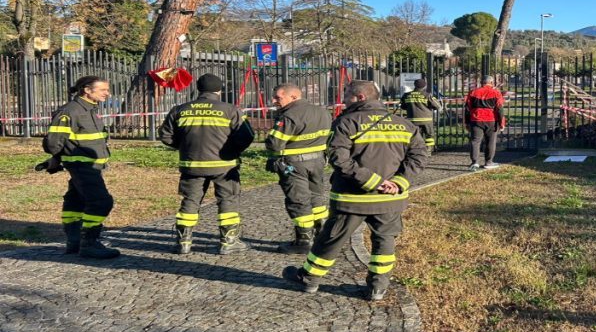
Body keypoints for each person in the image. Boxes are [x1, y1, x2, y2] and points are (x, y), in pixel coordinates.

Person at [282, 80, 428, 300]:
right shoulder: (403, 124)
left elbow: (338, 159)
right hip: (390, 198)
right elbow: (419, 156)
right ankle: (378, 288)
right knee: (384, 241)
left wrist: (372, 181)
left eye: (347, 94)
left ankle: (309, 278)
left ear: (360, 97)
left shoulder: (346, 122)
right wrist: (399, 182)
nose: (343, 99)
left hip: (353, 197)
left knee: (331, 240)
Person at [159, 73, 255, 255]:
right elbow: (247, 136)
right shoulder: (230, 110)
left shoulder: (180, 109)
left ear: (198, 89)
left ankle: (183, 242)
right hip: (224, 165)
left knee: (190, 201)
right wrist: (232, 150)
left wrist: (185, 147)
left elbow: (165, 136)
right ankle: (229, 241)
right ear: (220, 90)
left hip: (191, 164)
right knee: (228, 199)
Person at [42, 76, 120, 259]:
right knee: (101, 202)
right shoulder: (70, 111)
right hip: (81, 165)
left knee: (75, 201)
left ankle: (74, 241)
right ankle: (89, 244)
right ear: (87, 89)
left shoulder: (89, 109)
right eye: (103, 90)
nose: (107, 93)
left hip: (91, 165)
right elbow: (53, 142)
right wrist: (56, 157)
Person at [265, 83, 332, 254]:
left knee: (298, 201)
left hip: (295, 165)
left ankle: (303, 241)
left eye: (278, 97)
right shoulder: (323, 112)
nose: (274, 101)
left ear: (293, 97)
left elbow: (274, 144)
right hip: (318, 162)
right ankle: (321, 234)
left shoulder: (289, 115)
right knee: (316, 197)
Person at [464, 75, 504, 171]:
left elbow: (467, 108)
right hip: (491, 120)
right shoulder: (496, 93)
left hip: (476, 120)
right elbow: (499, 109)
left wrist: (467, 122)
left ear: (481, 83)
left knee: (475, 141)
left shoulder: (473, 92)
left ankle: (475, 162)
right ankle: (489, 162)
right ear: (492, 83)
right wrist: (501, 123)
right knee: (490, 141)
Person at [399, 78, 441, 153]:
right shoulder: (427, 95)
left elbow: (402, 106)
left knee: (415, 136)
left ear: (414, 85)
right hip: (426, 120)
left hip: (413, 120)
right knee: (429, 136)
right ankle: (428, 150)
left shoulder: (407, 95)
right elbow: (437, 106)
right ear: (424, 86)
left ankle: (416, 150)